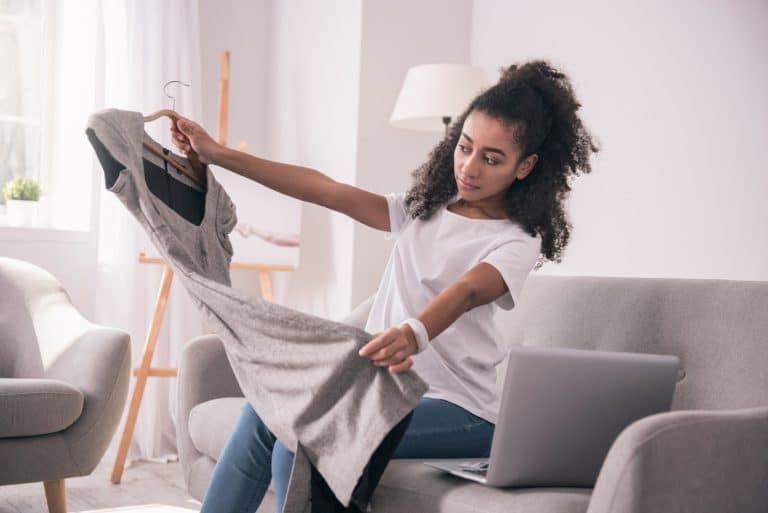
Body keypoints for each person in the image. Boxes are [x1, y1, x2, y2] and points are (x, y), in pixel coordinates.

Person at [170, 59, 599, 513]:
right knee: (262, 412)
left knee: (305, 438)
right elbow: (326, 190)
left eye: (491, 159)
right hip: (379, 389)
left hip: (462, 411)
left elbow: (468, 290)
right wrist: (218, 155)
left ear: (525, 166)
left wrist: (415, 331)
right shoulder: (424, 211)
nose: (469, 167)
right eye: (465, 147)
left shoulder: (516, 240)